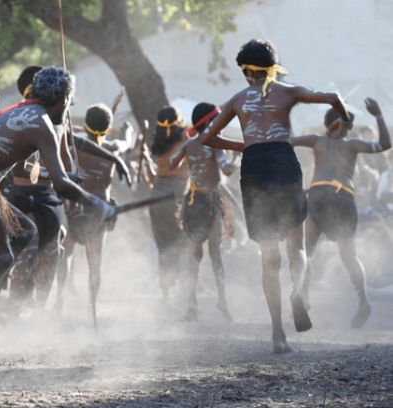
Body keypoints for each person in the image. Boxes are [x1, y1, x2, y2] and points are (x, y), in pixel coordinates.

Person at [199, 38, 352, 353]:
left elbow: (207, 138)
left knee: (270, 257)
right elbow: (333, 97)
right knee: (297, 248)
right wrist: (341, 122)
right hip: (284, 161)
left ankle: (277, 334)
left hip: (255, 168)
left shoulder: (237, 100)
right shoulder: (288, 91)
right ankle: (297, 289)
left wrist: (243, 146)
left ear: (247, 71)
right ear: (272, 68)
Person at [0, 66, 116, 333]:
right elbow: (61, 186)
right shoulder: (42, 123)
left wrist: (64, 174)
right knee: (1, 257)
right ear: (63, 99)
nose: (68, 108)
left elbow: (22, 169)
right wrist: (96, 203)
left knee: (25, 231)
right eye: (69, 102)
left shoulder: (24, 112)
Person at [5, 66, 131, 313]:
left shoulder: (61, 124)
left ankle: (42, 309)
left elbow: (72, 145)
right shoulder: (24, 119)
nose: (67, 106)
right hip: (26, 196)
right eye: (66, 101)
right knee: (29, 253)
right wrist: (59, 178)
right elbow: (20, 168)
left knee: (54, 253)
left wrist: (112, 160)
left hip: (51, 198)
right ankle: (16, 307)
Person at [292, 98, 390, 329]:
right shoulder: (328, 141)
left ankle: (306, 296)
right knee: (312, 252)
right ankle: (303, 298)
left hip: (328, 198)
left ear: (343, 127)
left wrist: (378, 116)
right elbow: (288, 140)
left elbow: (385, 144)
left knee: (317, 253)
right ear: (331, 126)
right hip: (330, 199)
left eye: (341, 125)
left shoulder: (339, 143)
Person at [53, 103, 131, 315]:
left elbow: (70, 135)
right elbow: (126, 143)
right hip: (100, 213)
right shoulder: (113, 148)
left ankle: (59, 295)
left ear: (85, 126)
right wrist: (127, 133)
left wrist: (80, 131)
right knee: (95, 263)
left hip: (75, 208)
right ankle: (91, 307)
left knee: (66, 253)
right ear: (108, 129)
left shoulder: (74, 146)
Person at [169, 103, 239, 322]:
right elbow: (226, 168)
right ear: (209, 123)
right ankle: (222, 301)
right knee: (215, 252)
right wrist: (237, 157)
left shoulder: (189, 145)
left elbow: (172, 164)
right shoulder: (215, 144)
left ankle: (191, 303)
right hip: (210, 201)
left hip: (192, 201)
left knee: (195, 253)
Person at [148, 107, 191, 304]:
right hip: (177, 194)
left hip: (155, 196)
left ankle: (166, 295)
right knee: (184, 245)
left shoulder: (158, 140)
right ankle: (186, 295)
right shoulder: (186, 137)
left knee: (164, 247)